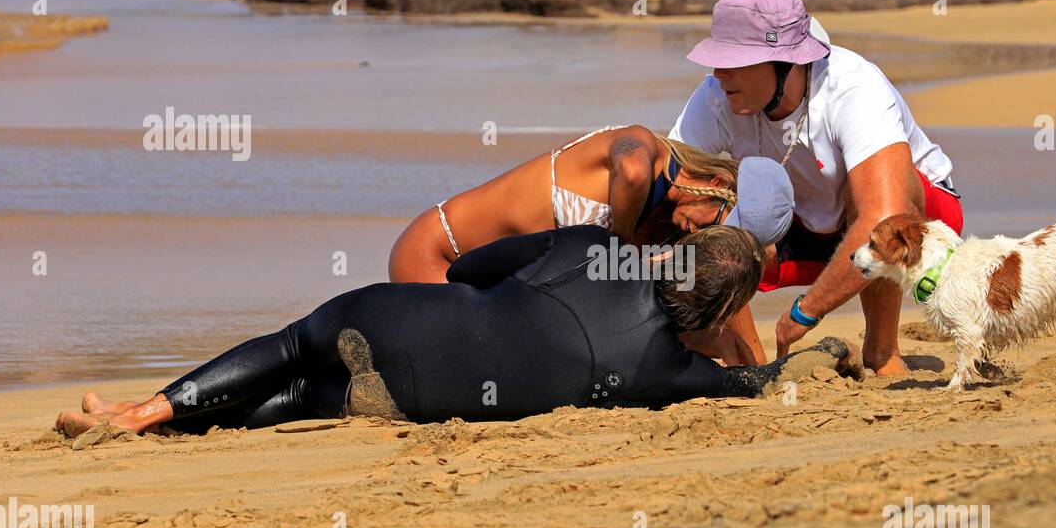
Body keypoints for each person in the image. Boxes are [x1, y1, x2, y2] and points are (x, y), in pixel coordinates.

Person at [56, 225, 851, 440]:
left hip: (392, 318)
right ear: (716, 312)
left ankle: (144, 413)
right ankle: (160, 431)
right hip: (407, 400)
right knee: (304, 396)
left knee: (295, 346)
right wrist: (820, 354)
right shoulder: (662, 373)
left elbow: (471, 267)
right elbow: (751, 384)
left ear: (675, 251)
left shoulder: (591, 249)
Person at [669, 0, 965, 375]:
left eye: (734, 61)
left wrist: (805, 313)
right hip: (811, 231)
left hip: (919, 231)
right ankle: (750, 362)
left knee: (879, 205)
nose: (719, 73)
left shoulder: (852, 87)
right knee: (701, 210)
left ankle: (882, 352)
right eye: (718, 58)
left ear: (786, 62)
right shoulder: (715, 98)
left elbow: (884, 215)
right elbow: (671, 192)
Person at [389, 124, 795, 364]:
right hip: (437, 257)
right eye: (721, 223)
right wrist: (617, 251)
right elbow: (631, 171)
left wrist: (750, 362)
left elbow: (721, 291)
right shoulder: (644, 149)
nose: (705, 238)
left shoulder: (673, 229)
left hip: (496, 301)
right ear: (719, 183)